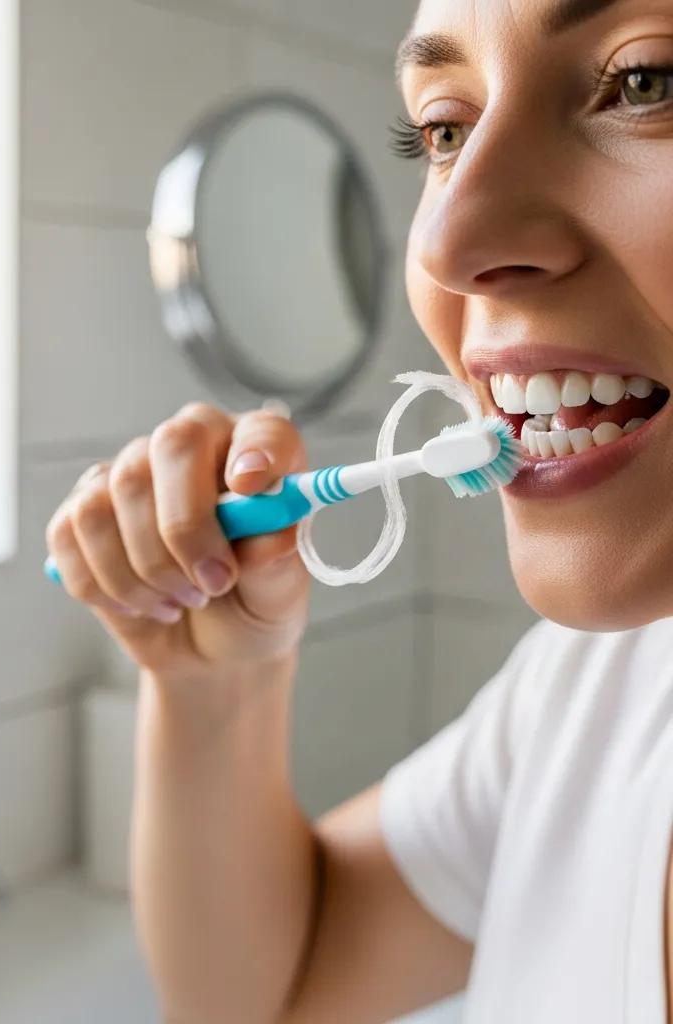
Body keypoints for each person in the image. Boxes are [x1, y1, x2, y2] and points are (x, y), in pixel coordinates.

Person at [44, 0, 673, 1019]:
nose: (447, 238)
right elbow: (273, 988)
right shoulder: (597, 685)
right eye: (444, 130)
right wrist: (215, 686)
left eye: (647, 81)